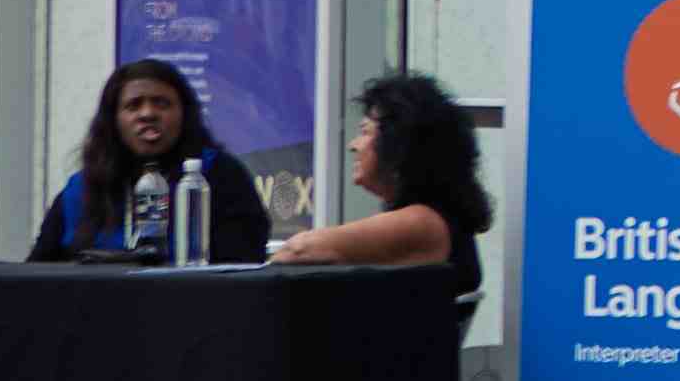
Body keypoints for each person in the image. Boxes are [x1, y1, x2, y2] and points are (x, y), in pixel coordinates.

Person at [27, 57, 278, 267]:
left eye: (162, 103)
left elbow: (244, 264)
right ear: (113, 121)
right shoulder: (82, 188)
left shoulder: (220, 176)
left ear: (184, 114)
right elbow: (37, 274)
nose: (148, 114)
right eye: (133, 106)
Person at [268, 73, 497, 280]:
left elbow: (300, 250)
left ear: (399, 145)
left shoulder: (424, 222)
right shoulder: (439, 220)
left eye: (365, 131)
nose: (353, 145)